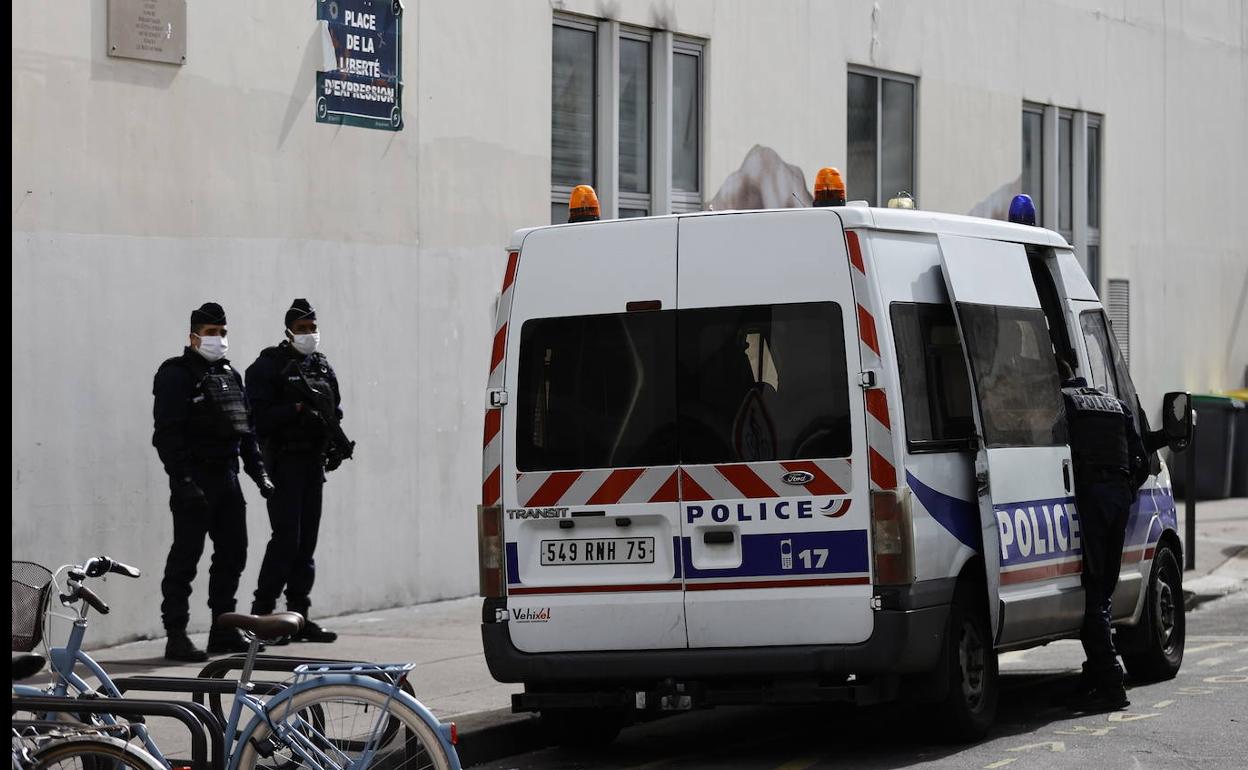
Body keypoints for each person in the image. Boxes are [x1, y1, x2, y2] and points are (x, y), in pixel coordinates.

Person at [153, 302, 275, 662]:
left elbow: (246, 431)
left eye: (222, 333)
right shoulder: (175, 375)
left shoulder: (230, 374)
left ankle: (223, 630)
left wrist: (260, 474)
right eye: (210, 333)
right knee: (185, 560)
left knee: (233, 555)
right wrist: (183, 479)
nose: (218, 340)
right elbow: (166, 435)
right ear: (193, 337)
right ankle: (176, 634)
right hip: (195, 478)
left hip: (227, 478)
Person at [246, 299, 347, 643]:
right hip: (283, 463)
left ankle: (299, 617)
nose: (309, 334)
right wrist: (297, 408)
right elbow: (257, 418)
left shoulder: (321, 366)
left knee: (306, 545)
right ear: (288, 331)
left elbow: (336, 409)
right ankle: (262, 616)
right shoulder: (268, 366)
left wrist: (333, 443)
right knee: (285, 541)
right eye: (302, 329)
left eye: (313, 328)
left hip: (312, 464)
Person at [1058, 359, 1148, 711]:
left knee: (1094, 593)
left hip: (1092, 499)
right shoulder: (1115, 403)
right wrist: (1125, 490)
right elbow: (1140, 459)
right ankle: (1096, 674)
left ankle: (1112, 684)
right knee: (1104, 589)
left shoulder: (1063, 403)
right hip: (1118, 500)